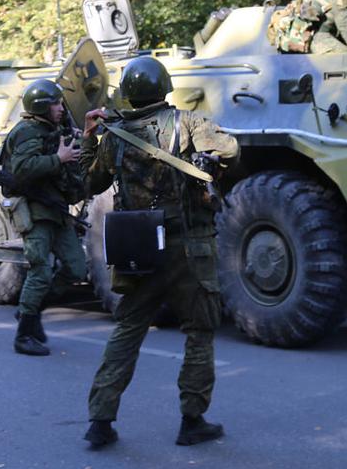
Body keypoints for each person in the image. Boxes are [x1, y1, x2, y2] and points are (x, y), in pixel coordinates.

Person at [79, 56, 239, 449]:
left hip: (139, 244)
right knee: (198, 331)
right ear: (164, 86)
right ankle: (192, 420)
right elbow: (230, 149)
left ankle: (100, 421)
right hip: (188, 246)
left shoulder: (113, 135)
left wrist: (89, 138)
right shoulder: (187, 123)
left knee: (128, 330)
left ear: (129, 95)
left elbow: (88, 181)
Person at [4, 79, 86, 357]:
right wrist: (59, 159)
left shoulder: (52, 130)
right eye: (56, 103)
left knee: (77, 267)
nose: (61, 108)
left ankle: (31, 308)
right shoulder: (27, 132)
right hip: (37, 212)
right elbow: (22, 168)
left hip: (57, 211)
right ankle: (24, 335)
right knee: (39, 270)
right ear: (41, 106)